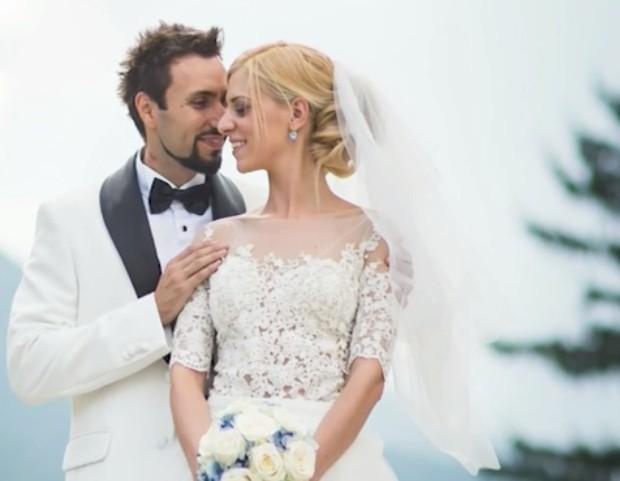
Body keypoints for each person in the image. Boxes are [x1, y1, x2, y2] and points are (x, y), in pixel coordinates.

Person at [169, 42, 499, 480]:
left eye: (241, 108)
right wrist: (212, 470)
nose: (224, 123)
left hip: (331, 464)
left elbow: (370, 375)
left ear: (296, 114)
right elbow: (186, 371)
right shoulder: (217, 239)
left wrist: (298, 472)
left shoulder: (373, 239)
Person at [6, 23, 245, 481]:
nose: (222, 119)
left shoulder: (259, 210)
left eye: (227, 100)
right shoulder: (69, 219)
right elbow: (29, 367)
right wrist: (153, 312)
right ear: (147, 109)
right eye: (201, 102)